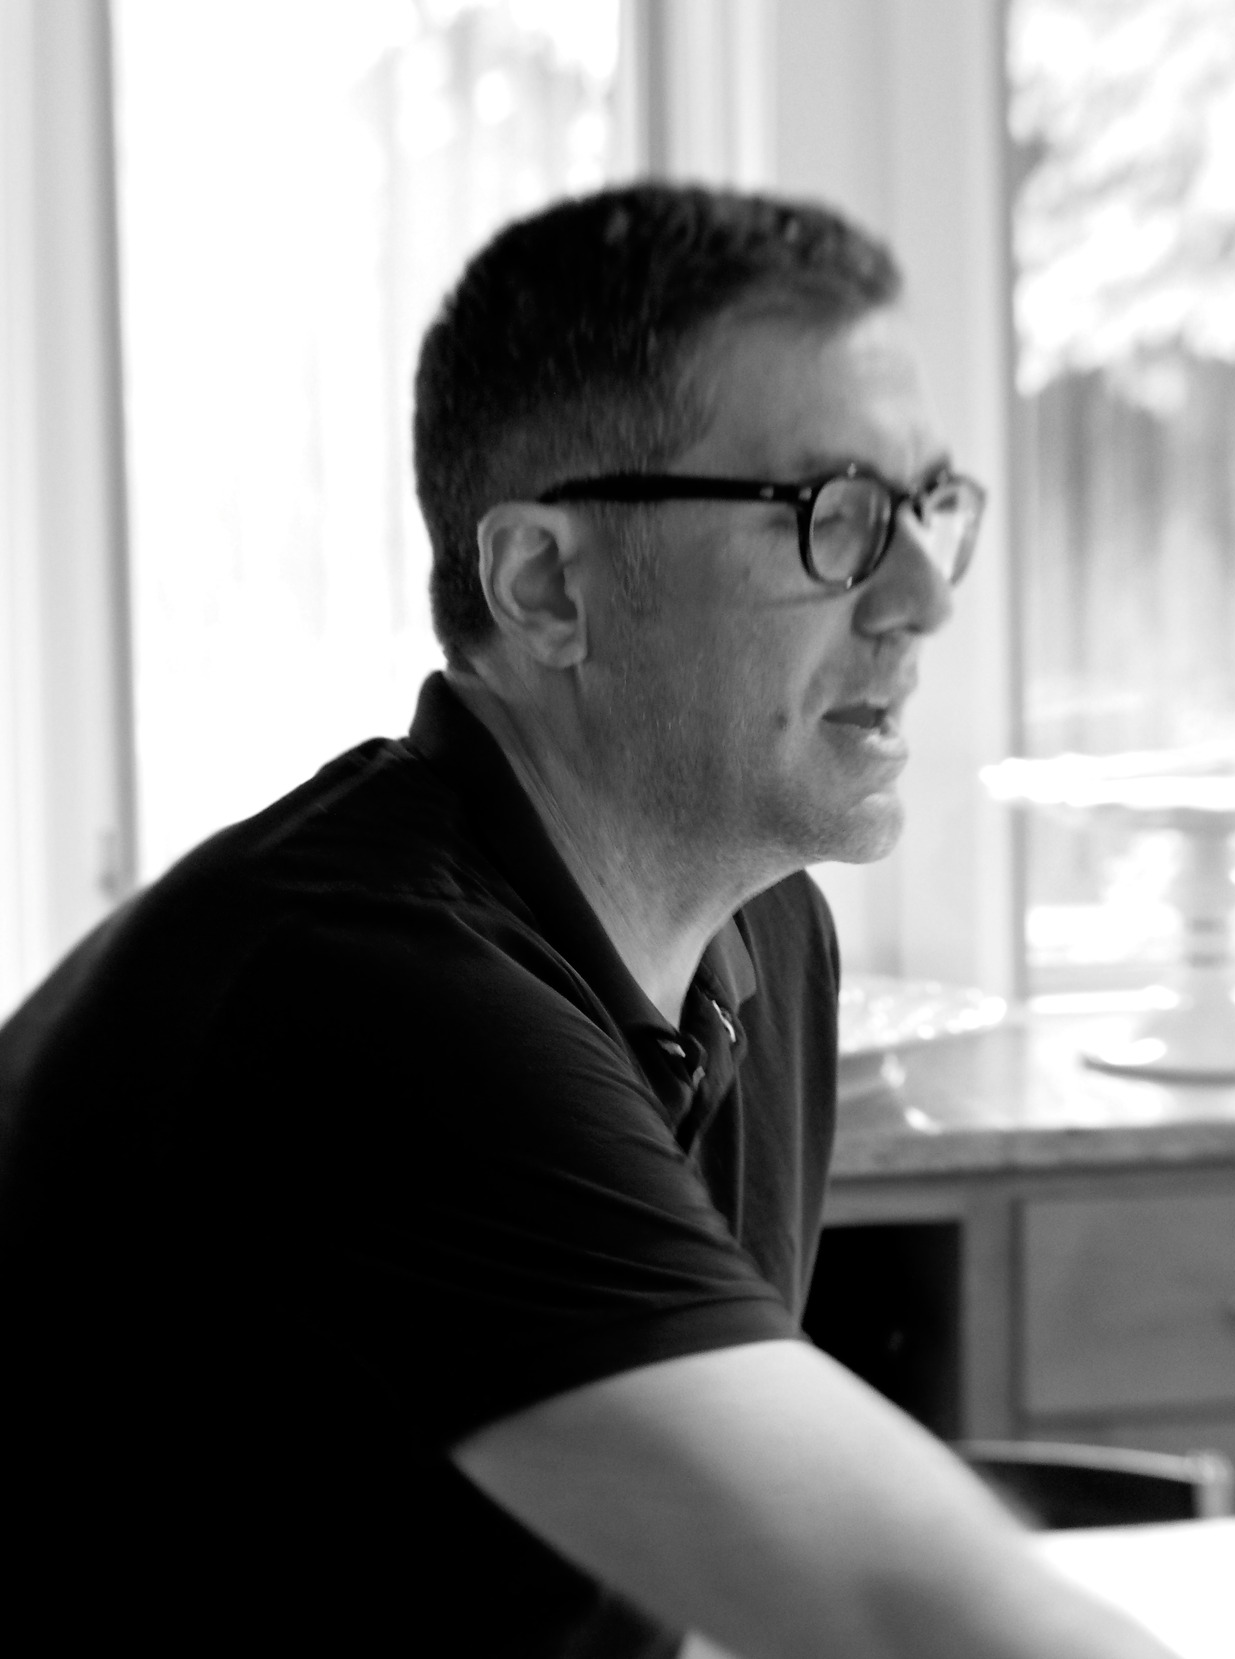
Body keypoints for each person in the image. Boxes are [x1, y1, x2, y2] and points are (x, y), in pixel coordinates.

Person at [0, 184, 1172, 1658]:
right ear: (546, 584)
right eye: (832, 516)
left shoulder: (764, 938)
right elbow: (903, 1615)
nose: (925, 596)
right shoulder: (362, 996)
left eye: (927, 503)